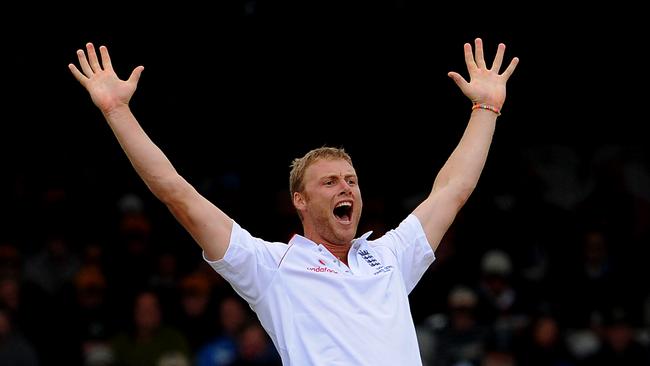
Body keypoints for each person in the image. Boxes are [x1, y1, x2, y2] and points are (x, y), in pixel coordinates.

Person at [69, 38, 518, 365]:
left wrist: (486, 109)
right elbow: (177, 193)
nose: (346, 188)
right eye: (330, 183)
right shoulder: (272, 268)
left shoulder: (390, 256)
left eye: (351, 180)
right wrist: (117, 111)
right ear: (299, 201)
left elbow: (452, 190)